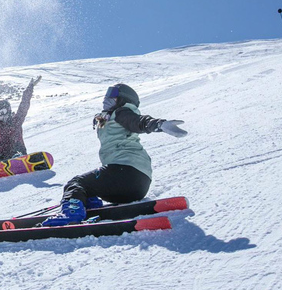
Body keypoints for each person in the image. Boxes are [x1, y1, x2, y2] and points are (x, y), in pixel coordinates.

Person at [43, 83, 187, 226]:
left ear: (123, 100)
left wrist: (159, 124)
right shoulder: (110, 117)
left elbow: (139, 121)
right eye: (106, 94)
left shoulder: (122, 113)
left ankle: (72, 213)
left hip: (126, 172)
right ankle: (90, 205)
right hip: (139, 184)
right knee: (89, 187)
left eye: (112, 94)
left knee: (76, 183)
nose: (106, 98)